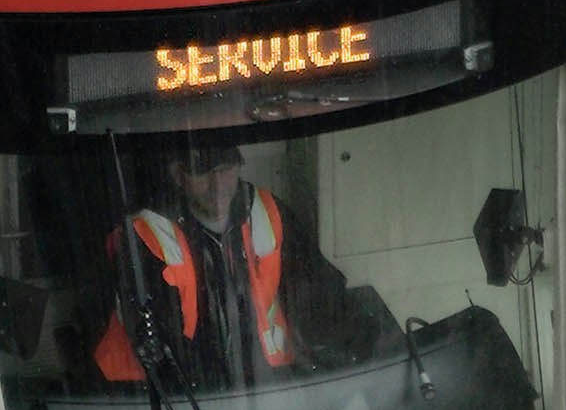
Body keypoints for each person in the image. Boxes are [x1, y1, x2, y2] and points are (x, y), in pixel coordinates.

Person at [92, 133, 385, 390]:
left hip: (259, 384)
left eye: (226, 169)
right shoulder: (146, 235)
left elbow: (319, 287)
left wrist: (359, 353)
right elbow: (168, 349)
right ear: (178, 174)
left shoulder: (267, 211)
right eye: (203, 172)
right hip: (156, 398)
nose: (217, 185)